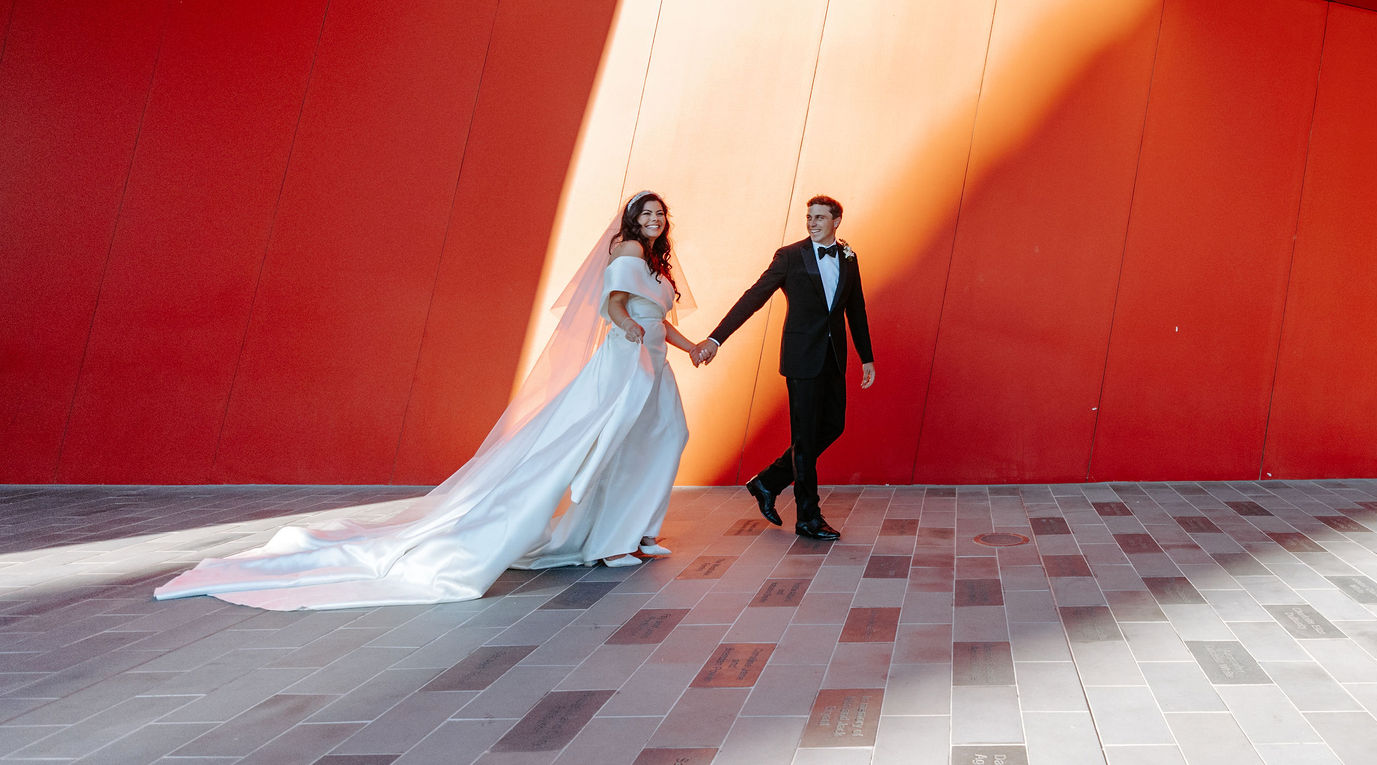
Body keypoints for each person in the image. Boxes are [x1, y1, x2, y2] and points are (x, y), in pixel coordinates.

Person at [154, 192, 703, 609]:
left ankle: (635, 531)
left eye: (659, 215)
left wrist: (692, 345)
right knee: (598, 451)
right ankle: (613, 540)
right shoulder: (628, 251)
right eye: (646, 214)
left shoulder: (658, 262)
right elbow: (611, 306)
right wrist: (629, 332)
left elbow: (663, 319)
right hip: (625, 364)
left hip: (655, 364)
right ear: (633, 221)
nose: (653, 221)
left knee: (661, 440)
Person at [693, 195, 874, 541]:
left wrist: (866, 357)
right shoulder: (790, 256)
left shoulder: (848, 258)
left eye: (820, 217)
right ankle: (808, 518)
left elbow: (857, 308)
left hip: (834, 357)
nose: (812, 222)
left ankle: (768, 482)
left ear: (837, 221)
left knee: (834, 426)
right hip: (802, 360)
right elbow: (754, 296)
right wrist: (716, 339)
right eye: (809, 217)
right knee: (804, 440)